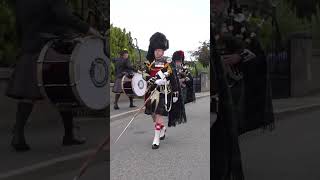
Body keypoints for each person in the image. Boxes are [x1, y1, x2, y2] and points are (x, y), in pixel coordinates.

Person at [6, 0, 103, 152]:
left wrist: (23, 46)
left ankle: (18, 135)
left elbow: (18, 26)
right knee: (64, 88)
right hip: (51, 46)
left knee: (28, 94)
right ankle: (68, 135)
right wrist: (89, 29)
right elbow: (64, 16)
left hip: (30, 46)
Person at [211, 0, 274, 179]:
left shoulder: (238, 24)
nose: (215, 6)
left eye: (219, 2)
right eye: (212, 3)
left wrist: (239, 56)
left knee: (226, 133)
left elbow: (257, 53)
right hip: (214, 87)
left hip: (233, 87)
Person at [143, 32, 186, 149]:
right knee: (152, 114)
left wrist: (176, 92)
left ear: (163, 51)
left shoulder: (168, 64)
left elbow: (173, 78)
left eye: (160, 50)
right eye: (156, 50)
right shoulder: (148, 63)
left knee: (158, 114)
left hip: (163, 93)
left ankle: (156, 138)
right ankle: (161, 128)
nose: (158, 52)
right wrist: (152, 80)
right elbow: (144, 74)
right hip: (151, 92)